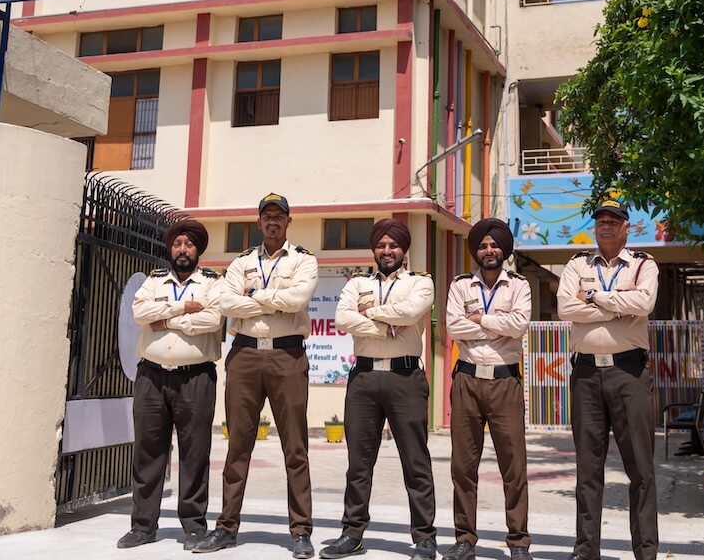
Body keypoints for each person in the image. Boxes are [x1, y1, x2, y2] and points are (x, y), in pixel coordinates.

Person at [196, 194, 318, 558]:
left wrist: (254, 295)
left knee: (295, 447)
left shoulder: (303, 260)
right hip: (245, 355)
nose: (273, 222)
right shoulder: (242, 261)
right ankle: (226, 527)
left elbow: (299, 299)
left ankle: (300, 531)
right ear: (259, 221)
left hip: (286, 354)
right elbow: (225, 303)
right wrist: (272, 297)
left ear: (288, 222)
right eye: (267, 216)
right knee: (237, 447)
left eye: (279, 216)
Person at [320, 218, 437, 560]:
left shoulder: (421, 283)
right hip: (364, 380)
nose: (387, 251)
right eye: (381, 245)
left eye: (393, 245)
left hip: (406, 379)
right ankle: (352, 533)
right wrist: (385, 326)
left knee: (415, 461)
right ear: (374, 250)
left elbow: (412, 311)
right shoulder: (357, 283)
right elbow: (342, 319)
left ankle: (425, 538)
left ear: (404, 250)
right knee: (359, 463)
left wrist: (370, 314)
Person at [556, 198, 660, 560]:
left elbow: (644, 304)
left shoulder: (643, 265)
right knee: (588, 468)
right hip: (585, 373)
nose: (606, 226)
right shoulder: (575, 264)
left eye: (614, 221)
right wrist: (618, 305)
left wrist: (596, 297)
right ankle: (586, 550)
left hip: (629, 372)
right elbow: (565, 308)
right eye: (601, 220)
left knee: (641, 467)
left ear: (626, 228)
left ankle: (645, 551)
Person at [118, 219, 223, 551]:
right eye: (177, 244)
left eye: (189, 245)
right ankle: (142, 525)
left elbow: (213, 319)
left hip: (196, 377)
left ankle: (193, 526)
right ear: (170, 249)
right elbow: (139, 312)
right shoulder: (153, 280)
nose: (182, 250)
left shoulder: (212, 283)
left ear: (197, 250)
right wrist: (182, 308)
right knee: (149, 452)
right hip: (151, 375)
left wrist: (163, 320)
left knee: (195, 453)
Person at [443, 218, 533, 560]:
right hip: (466, 380)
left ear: (504, 250)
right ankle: (465, 538)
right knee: (463, 466)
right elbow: (454, 325)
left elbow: (519, 325)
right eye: (482, 246)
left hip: (504, 382)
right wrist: (497, 326)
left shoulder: (519, 286)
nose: (489, 250)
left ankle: (519, 541)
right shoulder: (460, 285)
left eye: (494, 245)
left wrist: (479, 320)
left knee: (514, 466)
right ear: (476, 251)